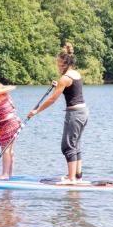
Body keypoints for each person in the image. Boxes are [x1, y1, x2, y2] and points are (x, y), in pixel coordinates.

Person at [28, 43, 89, 184]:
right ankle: (78, 176)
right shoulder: (76, 74)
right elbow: (71, 89)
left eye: (58, 63)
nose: (57, 65)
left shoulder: (65, 78)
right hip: (84, 112)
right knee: (75, 145)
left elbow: (52, 99)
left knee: (67, 146)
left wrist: (36, 111)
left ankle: (71, 178)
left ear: (64, 63)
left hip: (75, 114)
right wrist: (59, 85)